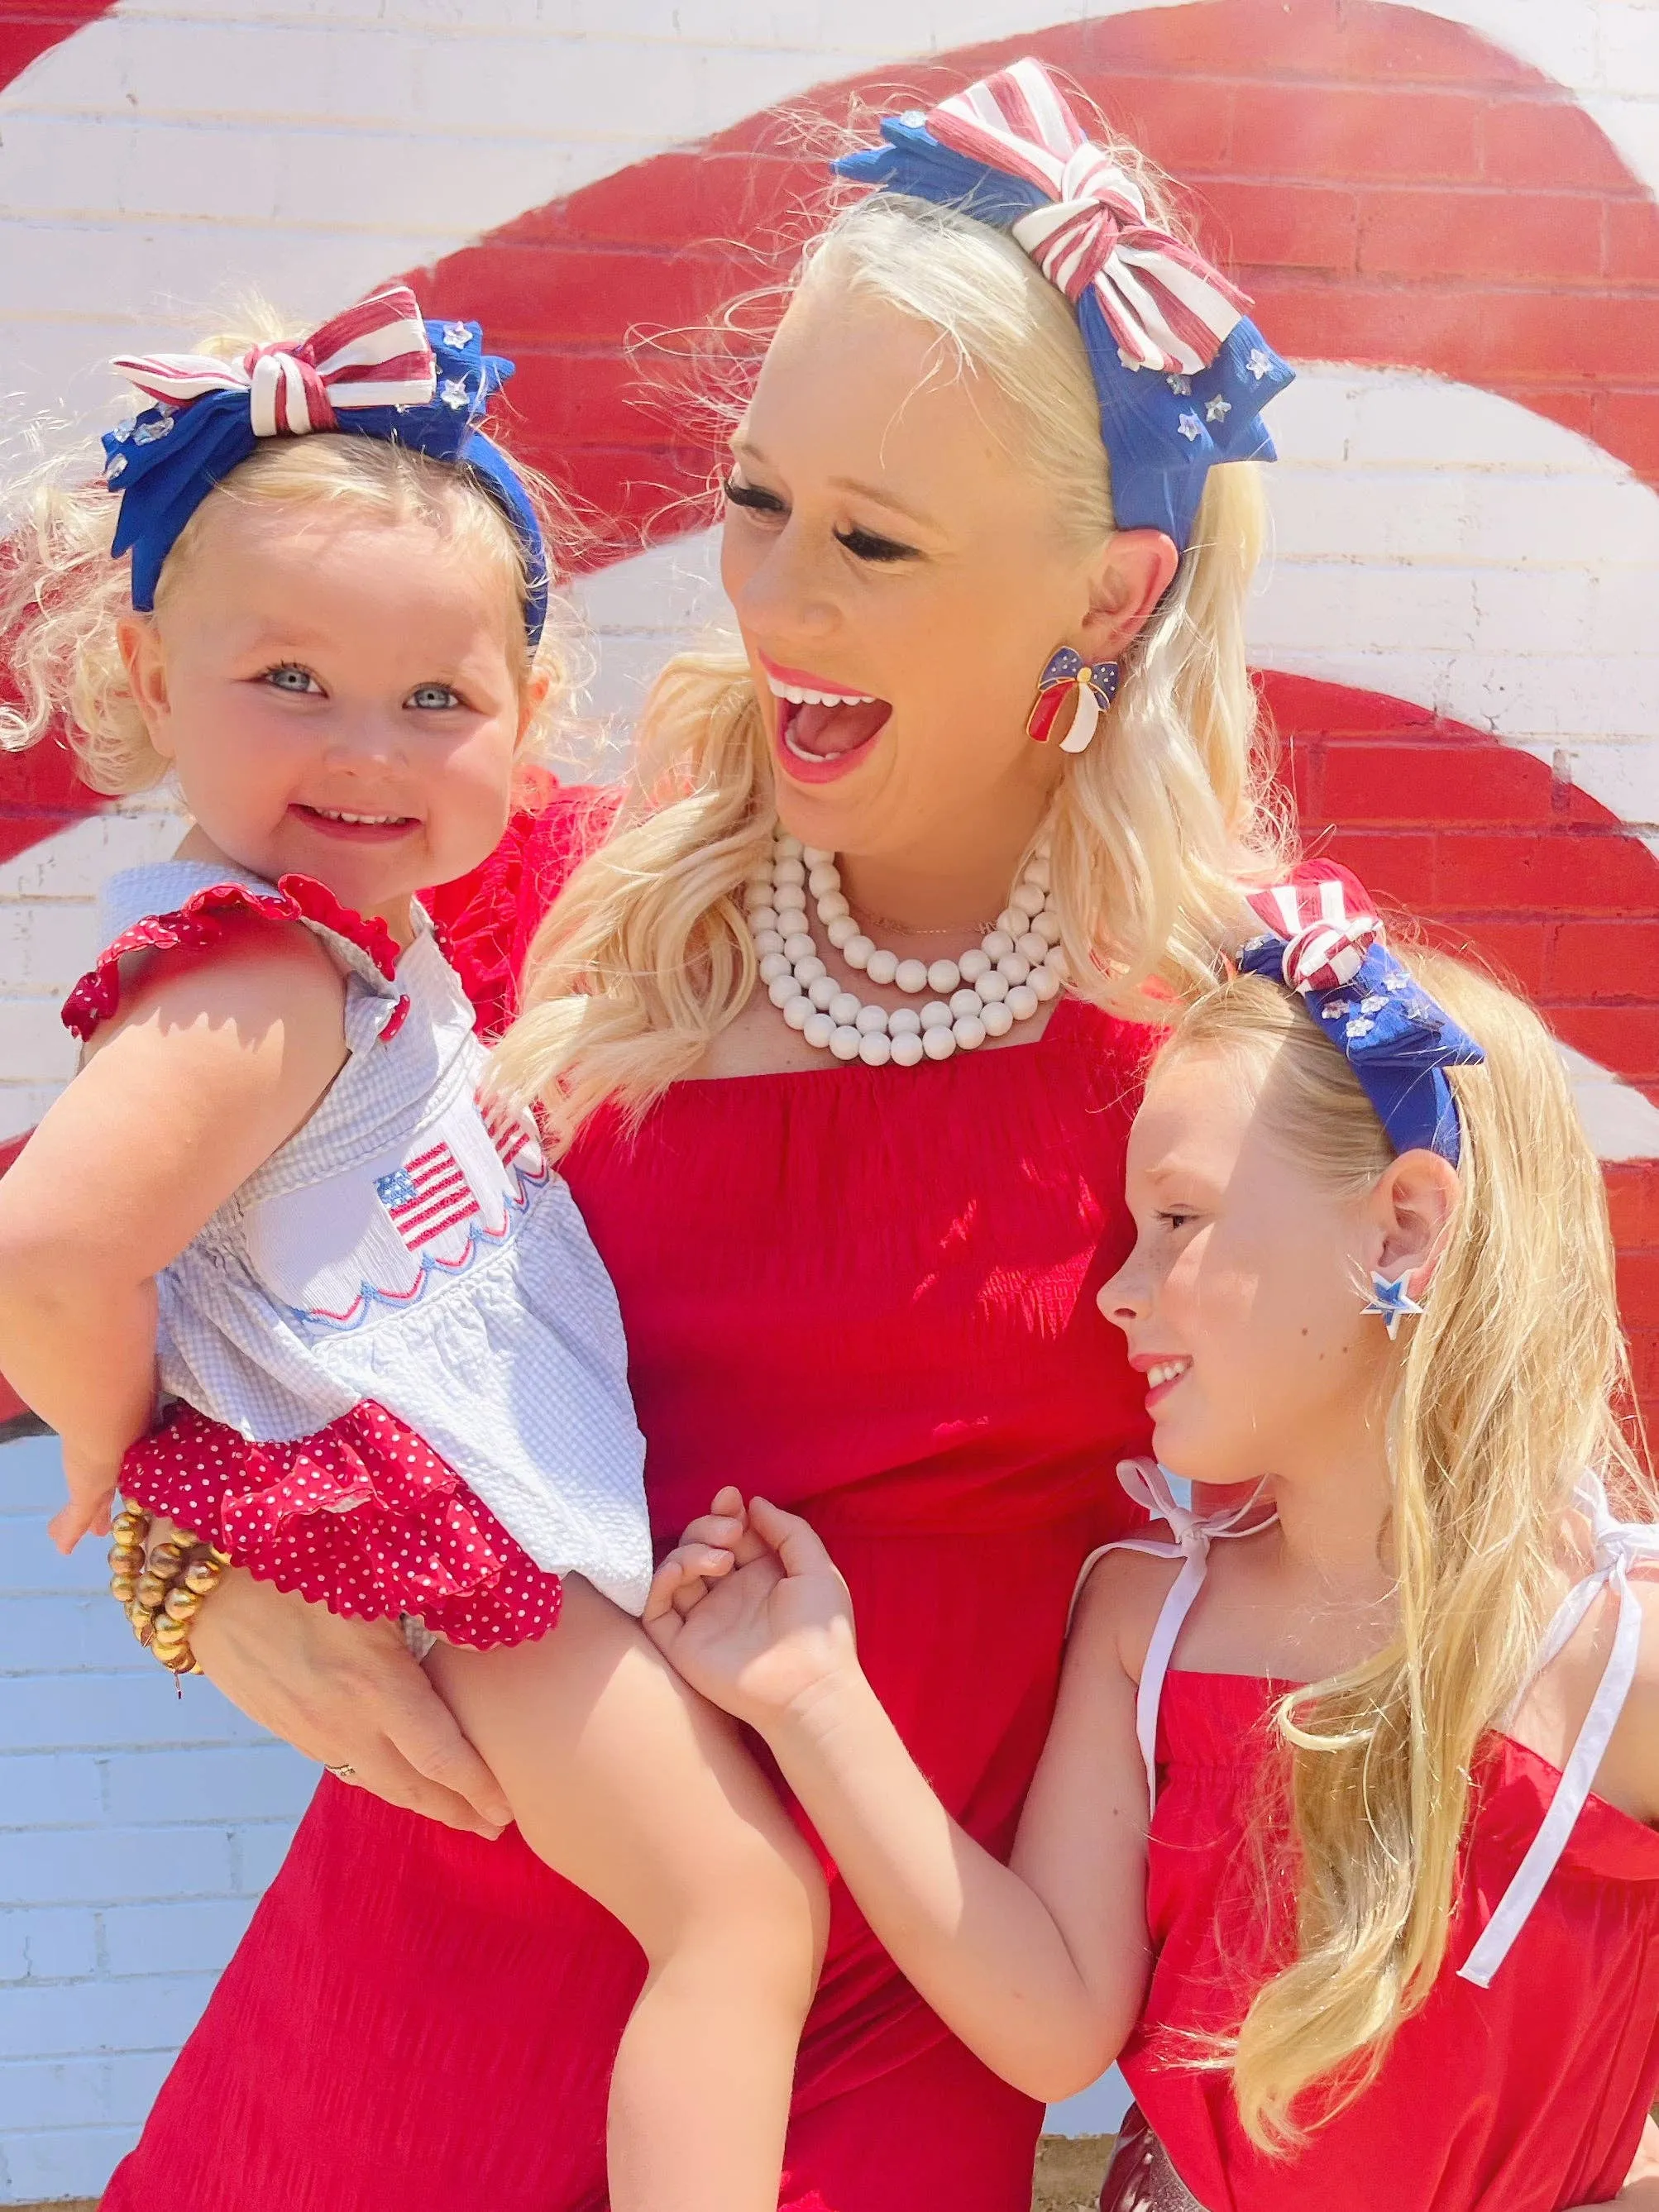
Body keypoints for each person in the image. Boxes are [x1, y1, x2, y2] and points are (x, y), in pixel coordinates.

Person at [94, 62, 1305, 2210]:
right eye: (752, 502)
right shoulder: (517, 877)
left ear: (1105, 596)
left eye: (867, 539)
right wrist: (182, 1566)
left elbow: (1418, 1541)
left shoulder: (1233, 1048)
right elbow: (118, 1235)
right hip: (428, 1956)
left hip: (875, 2044)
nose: (771, 603)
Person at [0, 289, 826, 2212]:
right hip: (449, 1542)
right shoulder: (261, 970)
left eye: (435, 699)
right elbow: (47, 1241)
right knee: (740, 1907)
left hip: (486, 1506)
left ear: (527, 724)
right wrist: (147, 1454)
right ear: (145, 666)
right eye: (287, 677)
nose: (366, 750)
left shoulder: (363, 949)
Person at [647, 877, 1659, 2212]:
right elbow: (1057, 2015)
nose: (1116, 1292)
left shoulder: (1617, 1652)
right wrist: (813, 1695)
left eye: (1176, 1221)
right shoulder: (1149, 1615)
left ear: (1401, 1226)